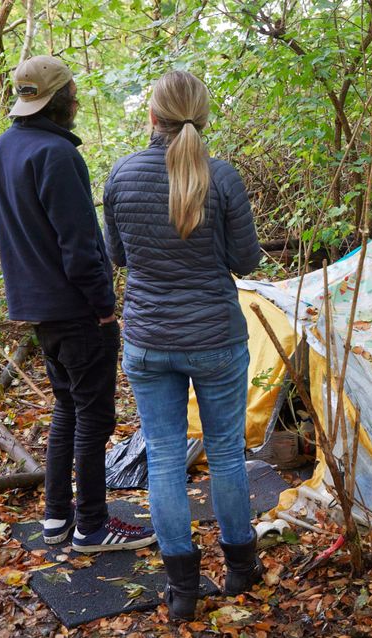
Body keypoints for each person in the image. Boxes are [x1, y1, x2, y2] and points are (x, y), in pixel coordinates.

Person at [103, 70, 263, 621]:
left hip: (149, 339)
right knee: (224, 453)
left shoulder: (122, 175)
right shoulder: (222, 178)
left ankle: (183, 590)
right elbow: (246, 260)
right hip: (215, 336)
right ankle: (242, 566)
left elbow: (119, 257)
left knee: (166, 458)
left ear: (152, 116)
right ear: (204, 116)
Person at [0, 56, 156, 553]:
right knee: (95, 417)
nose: (77, 103)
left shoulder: (5, 147)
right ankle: (93, 526)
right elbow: (80, 245)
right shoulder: (57, 156)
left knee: (68, 409)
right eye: (74, 95)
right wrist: (104, 306)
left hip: (35, 307)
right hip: (75, 308)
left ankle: (57, 518)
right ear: (62, 101)